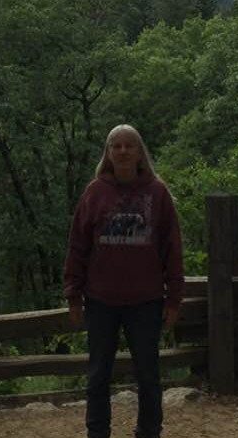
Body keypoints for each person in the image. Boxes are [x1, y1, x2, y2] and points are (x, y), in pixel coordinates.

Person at [63, 124, 184, 438]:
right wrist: (73, 294)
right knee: (98, 375)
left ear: (140, 151)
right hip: (101, 300)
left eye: (129, 145)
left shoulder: (157, 193)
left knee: (148, 375)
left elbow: (172, 248)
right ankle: (97, 433)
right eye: (116, 146)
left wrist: (174, 298)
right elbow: (77, 246)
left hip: (146, 300)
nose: (123, 151)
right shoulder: (94, 193)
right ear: (108, 153)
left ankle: (148, 432)